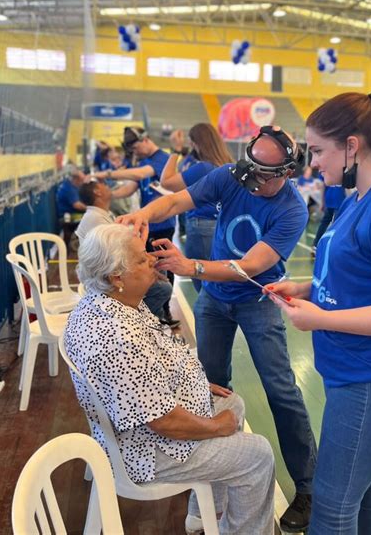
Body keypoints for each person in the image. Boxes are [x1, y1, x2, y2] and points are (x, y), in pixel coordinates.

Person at [118, 125, 318, 533]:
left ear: (287, 172)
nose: (254, 184)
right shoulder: (230, 176)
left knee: (281, 390)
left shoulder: (292, 210)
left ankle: (310, 487)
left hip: (257, 301)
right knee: (206, 384)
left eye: (264, 178)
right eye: (250, 174)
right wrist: (142, 214)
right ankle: (207, 491)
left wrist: (189, 267)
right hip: (213, 301)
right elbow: (175, 199)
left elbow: (250, 267)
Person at [265, 84, 371, 535]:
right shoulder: (358, 199)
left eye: (318, 150)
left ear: (352, 147)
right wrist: (305, 288)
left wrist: (319, 319)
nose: (312, 161)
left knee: (333, 507)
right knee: (369, 489)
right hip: (354, 373)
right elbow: (356, 276)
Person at [65, 223, 275, 535]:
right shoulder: (118, 337)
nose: (151, 259)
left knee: (232, 402)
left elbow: (148, 373)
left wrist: (196, 384)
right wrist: (217, 426)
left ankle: (205, 515)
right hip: (146, 450)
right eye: (140, 259)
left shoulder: (109, 302)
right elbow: (162, 422)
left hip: (143, 425)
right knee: (258, 454)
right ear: (116, 277)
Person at [95, 127, 177, 324]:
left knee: (163, 267)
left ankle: (163, 312)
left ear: (146, 140)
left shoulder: (161, 160)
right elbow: (130, 188)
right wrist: (108, 195)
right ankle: (147, 313)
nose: (136, 153)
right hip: (147, 224)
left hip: (162, 223)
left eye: (136, 148)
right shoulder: (145, 161)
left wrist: (107, 173)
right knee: (146, 268)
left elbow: (140, 174)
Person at [75, 180, 173, 323]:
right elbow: (113, 257)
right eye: (104, 185)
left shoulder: (101, 214)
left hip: (112, 269)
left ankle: (154, 321)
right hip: (107, 275)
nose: (109, 186)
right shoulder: (95, 218)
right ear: (97, 192)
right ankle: (144, 323)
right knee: (163, 288)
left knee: (160, 269)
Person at [160, 123, 233, 292]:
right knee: (217, 277)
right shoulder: (224, 164)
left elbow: (167, 181)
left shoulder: (203, 167)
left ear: (196, 143)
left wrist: (175, 150)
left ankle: (207, 316)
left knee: (202, 281)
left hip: (202, 226)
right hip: (219, 225)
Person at [55, 167, 87, 248]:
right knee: (91, 218)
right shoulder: (68, 189)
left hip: (72, 213)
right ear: (76, 179)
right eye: (82, 180)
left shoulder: (70, 185)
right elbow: (77, 205)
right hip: (68, 216)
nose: (83, 182)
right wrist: (91, 208)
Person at [312, 184, 346, 255]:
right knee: (336, 225)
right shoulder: (343, 173)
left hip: (332, 201)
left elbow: (323, 187)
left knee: (326, 223)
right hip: (338, 201)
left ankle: (316, 245)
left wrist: (322, 202)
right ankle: (331, 246)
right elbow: (323, 186)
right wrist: (322, 202)